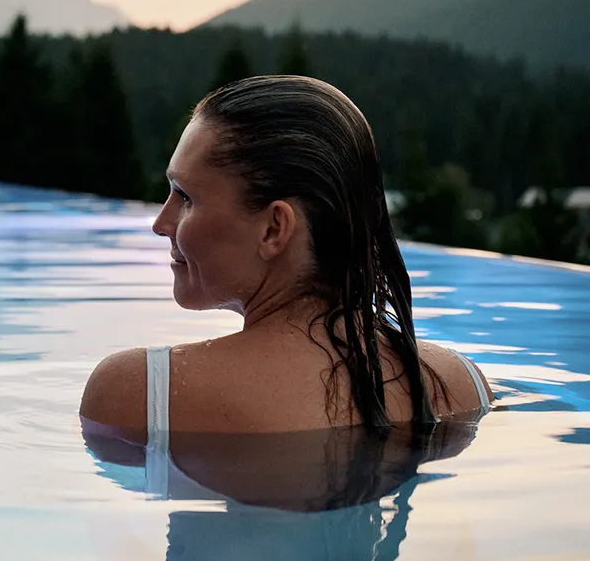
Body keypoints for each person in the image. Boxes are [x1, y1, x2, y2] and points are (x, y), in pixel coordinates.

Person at [80, 75, 493, 447]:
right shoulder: (463, 385)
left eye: (185, 198)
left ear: (274, 229)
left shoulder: (140, 396)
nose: (160, 223)